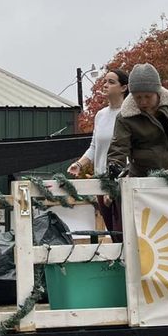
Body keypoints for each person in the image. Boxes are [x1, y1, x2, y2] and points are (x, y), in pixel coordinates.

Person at [106, 63, 168, 177]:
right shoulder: (125, 117)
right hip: (143, 178)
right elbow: (118, 147)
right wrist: (115, 166)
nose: (143, 102)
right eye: (138, 97)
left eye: (148, 96)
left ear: (158, 92)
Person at [68, 69, 129, 240]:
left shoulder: (130, 113)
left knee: (125, 233)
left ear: (124, 87)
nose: (106, 85)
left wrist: (116, 184)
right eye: (105, 81)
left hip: (123, 181)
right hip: (101, 181)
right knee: (113, 233)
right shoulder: (100, 115)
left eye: (111, 82)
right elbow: (94, 147)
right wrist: (79, 164)